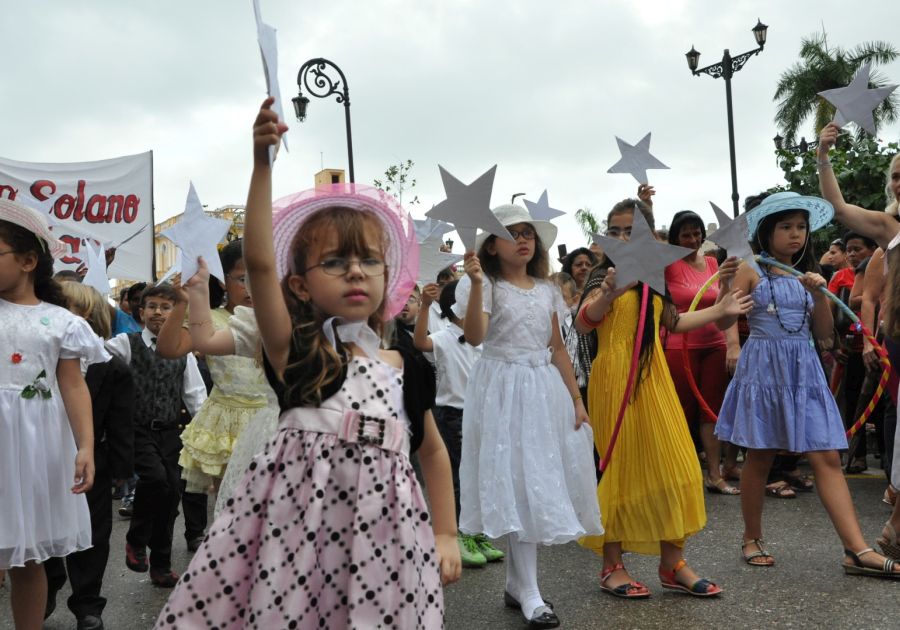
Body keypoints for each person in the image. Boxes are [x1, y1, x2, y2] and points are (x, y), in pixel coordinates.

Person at [154, 98, 460, 629]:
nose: (356, 272)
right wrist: (261, 165)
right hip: (296, 528)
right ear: (299, 284)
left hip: (385, 533)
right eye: (335, 262)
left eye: (369, 260)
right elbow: (259, 261)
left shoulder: (401, 359)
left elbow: (431, 450)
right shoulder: (295, 348)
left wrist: (446, 532)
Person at [715, 190, 900, 576]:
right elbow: (722, 321)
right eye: (785, 227)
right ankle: (751, 536)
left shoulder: (809, 275)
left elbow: (825, 335)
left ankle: (856, 549)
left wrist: (818, 297)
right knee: (761, 455)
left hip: (804, 371)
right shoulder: (749, 268)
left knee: (827, 454)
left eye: (800, 227)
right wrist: (722, 287)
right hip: (763, 370)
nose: (795, 234)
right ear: (766, 232)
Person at [577, 198, 749, 599]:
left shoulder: (656, 278)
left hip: (654, 379)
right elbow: (584, 322)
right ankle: (611, 566)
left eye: (629, 230)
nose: (621, 237)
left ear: (648, 236)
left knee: (679, 466)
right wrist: (609, 292)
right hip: (612, 381)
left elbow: (673, 322)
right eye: (614, 230)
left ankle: (673, 564)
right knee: (620, 474)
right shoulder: (604, 275)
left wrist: (719, 309)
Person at [456, 203, 602, 627]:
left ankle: (518, 585)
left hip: (542, 392)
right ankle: (530, 592)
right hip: (501, 389)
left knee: (533, 482)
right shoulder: (487, 285)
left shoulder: (546, 289)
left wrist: (576, 399)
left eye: (528, 233)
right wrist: (478, 284)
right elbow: (475, 336)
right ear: (491, 245)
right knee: (518, 484)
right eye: (512, 232)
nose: (523, 239)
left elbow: (557, 348)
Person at [0, 199, 108, 629]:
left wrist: (85, 446)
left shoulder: (61, 322)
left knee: (28, 557)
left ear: (28, 261)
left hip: (32, 446)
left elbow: (72, 384)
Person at [818, 123, 900, 564]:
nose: (899, 183)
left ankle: (894, 527)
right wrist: (824, 154)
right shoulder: (889, 226)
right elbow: (837, 205)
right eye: (897, 176)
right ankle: (892, 528)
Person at [155, 257, 280, 521]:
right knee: (234, 504)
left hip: (272, 418)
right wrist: (183, 302)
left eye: (257, 278)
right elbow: (168, 349)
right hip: (227, 420)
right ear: (224, 281)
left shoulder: (278, 319)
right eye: (242, 279)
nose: (250, 288)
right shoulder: (209, 319)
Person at [44, 282, 135, 630]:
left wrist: (122, 469)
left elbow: (121, 420)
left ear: (86, 314)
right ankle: (47, 583)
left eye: (67, 307)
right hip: (44, 455)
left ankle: (87, 605)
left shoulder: (111, 366)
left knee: (94, 533)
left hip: (91, 459)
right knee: (44, 528)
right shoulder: (39, 354)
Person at [105, 283, 208, 588]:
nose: (158, 313)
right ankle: (136, 539)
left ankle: (161, 564)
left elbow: (195, 395)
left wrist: (201, 437)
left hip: (170, 431)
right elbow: (95, 365)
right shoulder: (125, 343)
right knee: (156, 480)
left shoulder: (183, 350)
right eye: (152, 306)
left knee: (171, 492)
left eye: (166, 307)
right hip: (135, 430)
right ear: (141, 311)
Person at [414, 280, 505, 569]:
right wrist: (425, 306)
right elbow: (419, 342)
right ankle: (458, 535)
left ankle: (475, 532)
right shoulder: (443, 336)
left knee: (479, 476)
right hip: (452, 414)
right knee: (457, 478)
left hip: (479, 414)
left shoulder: (482, 340)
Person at [663, 210, 741, 496]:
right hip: (677, 346)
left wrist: (727, 282)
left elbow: (724, 302)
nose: (693, 239)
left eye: (697, 234)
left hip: (713, 345)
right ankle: (678, 475)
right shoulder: (666, 265)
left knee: (711, 412)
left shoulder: (711, 262)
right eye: (685, 235)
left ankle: (714, 475)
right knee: (680, 412)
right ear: (675, 237)